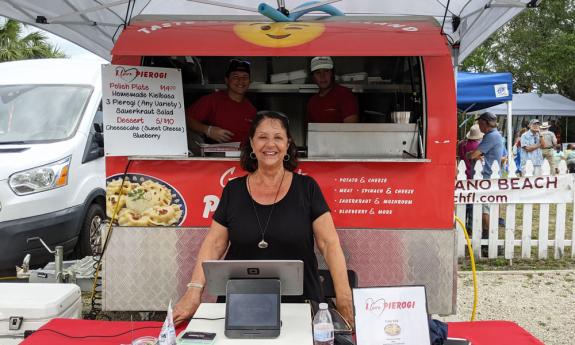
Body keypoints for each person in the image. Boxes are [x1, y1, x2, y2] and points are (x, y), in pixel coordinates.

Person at [173, 111, 354, 326]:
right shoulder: (234, 190)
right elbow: (214, 243)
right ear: (251, 143)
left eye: (278, 137)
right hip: (240, 303)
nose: (270, 144)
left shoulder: (307, 188)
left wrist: (343, 297)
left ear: (288, 144)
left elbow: (329, 244)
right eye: (262, 137)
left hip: (300, 305)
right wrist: (193, 292)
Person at [186, 59, 256, 143]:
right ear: (227, 80)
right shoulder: (213, 100)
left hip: (244, 154)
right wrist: (208, 130)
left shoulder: (251, 109)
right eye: (235, 77)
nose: (241, 81)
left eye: (245, 77)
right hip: (217, 154)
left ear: (250, 82)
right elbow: (187, 119)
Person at [466, 112, 504, 252]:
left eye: (480, 123)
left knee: (485, 209)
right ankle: (488, 238)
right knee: (487, 208)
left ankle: (489, 240)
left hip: (487, 176)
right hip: (489, 175)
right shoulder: (493, 135)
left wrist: (470, 154)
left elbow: (474, 154)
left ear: (486, 123)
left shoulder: (491, 136)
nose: (478, 125)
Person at [307, 56, 359, 123]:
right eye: (318, 72)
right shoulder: (312, 103)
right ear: (313, 77)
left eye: (326, 71)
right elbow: (311, 131)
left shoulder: (345, 95)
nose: (322, 76)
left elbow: (351, 130)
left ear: (332, 73)